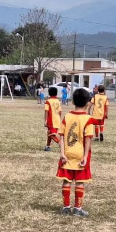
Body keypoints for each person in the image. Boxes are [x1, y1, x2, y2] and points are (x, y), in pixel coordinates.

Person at [56, 88, 95, 217]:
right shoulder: (88, 119)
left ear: (73, 101)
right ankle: (78, 209)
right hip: (80, 154)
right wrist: (85, 156)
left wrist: (62, 153)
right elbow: (88, 138)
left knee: (66, 180)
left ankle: (66, 207)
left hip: (67, 154)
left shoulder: (67, 117)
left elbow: (61, 136)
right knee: (79, 181)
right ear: (88, 103)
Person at [44, 86, 62, 151]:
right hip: (57, 119)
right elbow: (60, 111)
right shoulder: (58, 101)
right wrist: (59, 119)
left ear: (49, 93)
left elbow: (46, 111)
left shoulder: (48, 101)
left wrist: (45, 120)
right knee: (50, 133)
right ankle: (47, 146)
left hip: (51, 120)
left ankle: (60, 143)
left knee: (50, 134)